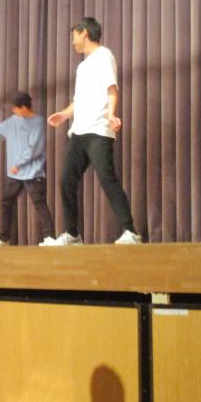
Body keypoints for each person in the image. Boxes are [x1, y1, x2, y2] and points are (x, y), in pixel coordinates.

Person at [43, 17, 141, 246]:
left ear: (84, 33)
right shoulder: (82, 66)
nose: (73, 42)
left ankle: (131, 231)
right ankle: (72, 234)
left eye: (74, 36)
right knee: (66, 180)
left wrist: (111, 115)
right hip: (79, 132)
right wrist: (64, 115)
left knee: (107, 178)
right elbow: (78, 101)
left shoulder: (104, 56)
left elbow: (112, 90)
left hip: (98, 130)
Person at [0, 91, 55, 246]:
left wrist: (18, 164)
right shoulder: (13, 121)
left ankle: (50, 237)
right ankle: (3, 238)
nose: (13, 110)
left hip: (32, 172)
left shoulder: (38, 122)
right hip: (15, 174)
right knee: (6, 202)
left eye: (16, 108)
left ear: (24, 107)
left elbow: (35, 148)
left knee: (39, 203)